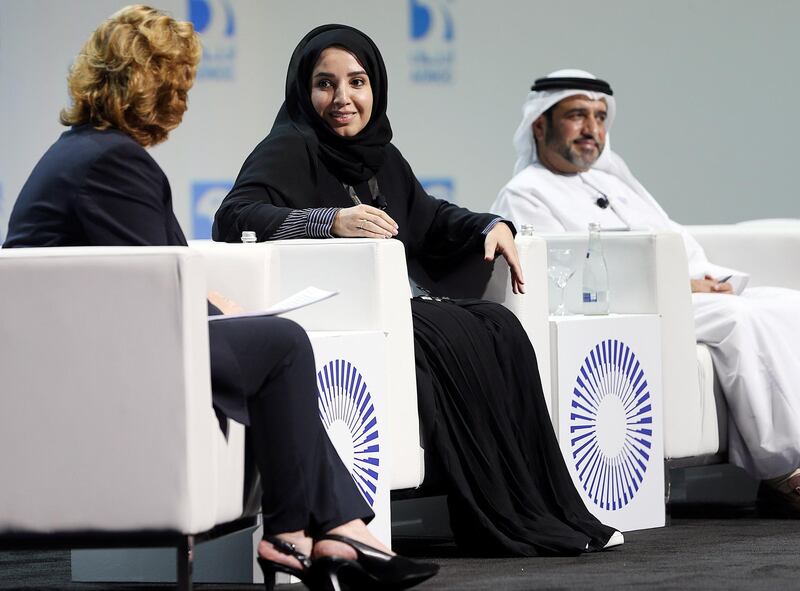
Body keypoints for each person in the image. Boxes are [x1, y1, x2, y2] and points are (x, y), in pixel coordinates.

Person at [2, 7, 438, 590]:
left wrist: (213, 304)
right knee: (282, 344)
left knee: (268, 345)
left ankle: (331, 533)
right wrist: (216, 312)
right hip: (96, 363)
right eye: (179, 81)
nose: (184, 97)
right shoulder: (112, 162)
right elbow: (151, 290)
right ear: (154, 83)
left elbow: (139, 270)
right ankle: (308, 534)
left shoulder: (83, 151)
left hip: (91, 345)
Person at [213, 25, 622, 555]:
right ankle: (499, 514)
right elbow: (234, 216)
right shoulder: (289, 147)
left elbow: (426, 218)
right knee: (451, 330)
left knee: (497, 324)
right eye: (324, 84)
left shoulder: (380, 154)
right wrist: (330, 221)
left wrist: (487, 226)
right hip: (337, 313)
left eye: (357, 82)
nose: (342, 99)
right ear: (302, 90)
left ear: (375, 87)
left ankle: (540, 507)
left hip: (387, 305)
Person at [492, 69, 800, 515]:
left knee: (789, 303)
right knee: (742, 320)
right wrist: (680, 283)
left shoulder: (615, 181)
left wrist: (709, 279)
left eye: (599, 117)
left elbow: (676, 240)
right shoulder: (525, 193)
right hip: (630, 308)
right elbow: (560, 271)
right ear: (540, 124)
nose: (591, 129)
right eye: (577, 115)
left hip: (683, 296)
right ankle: (781, 469)